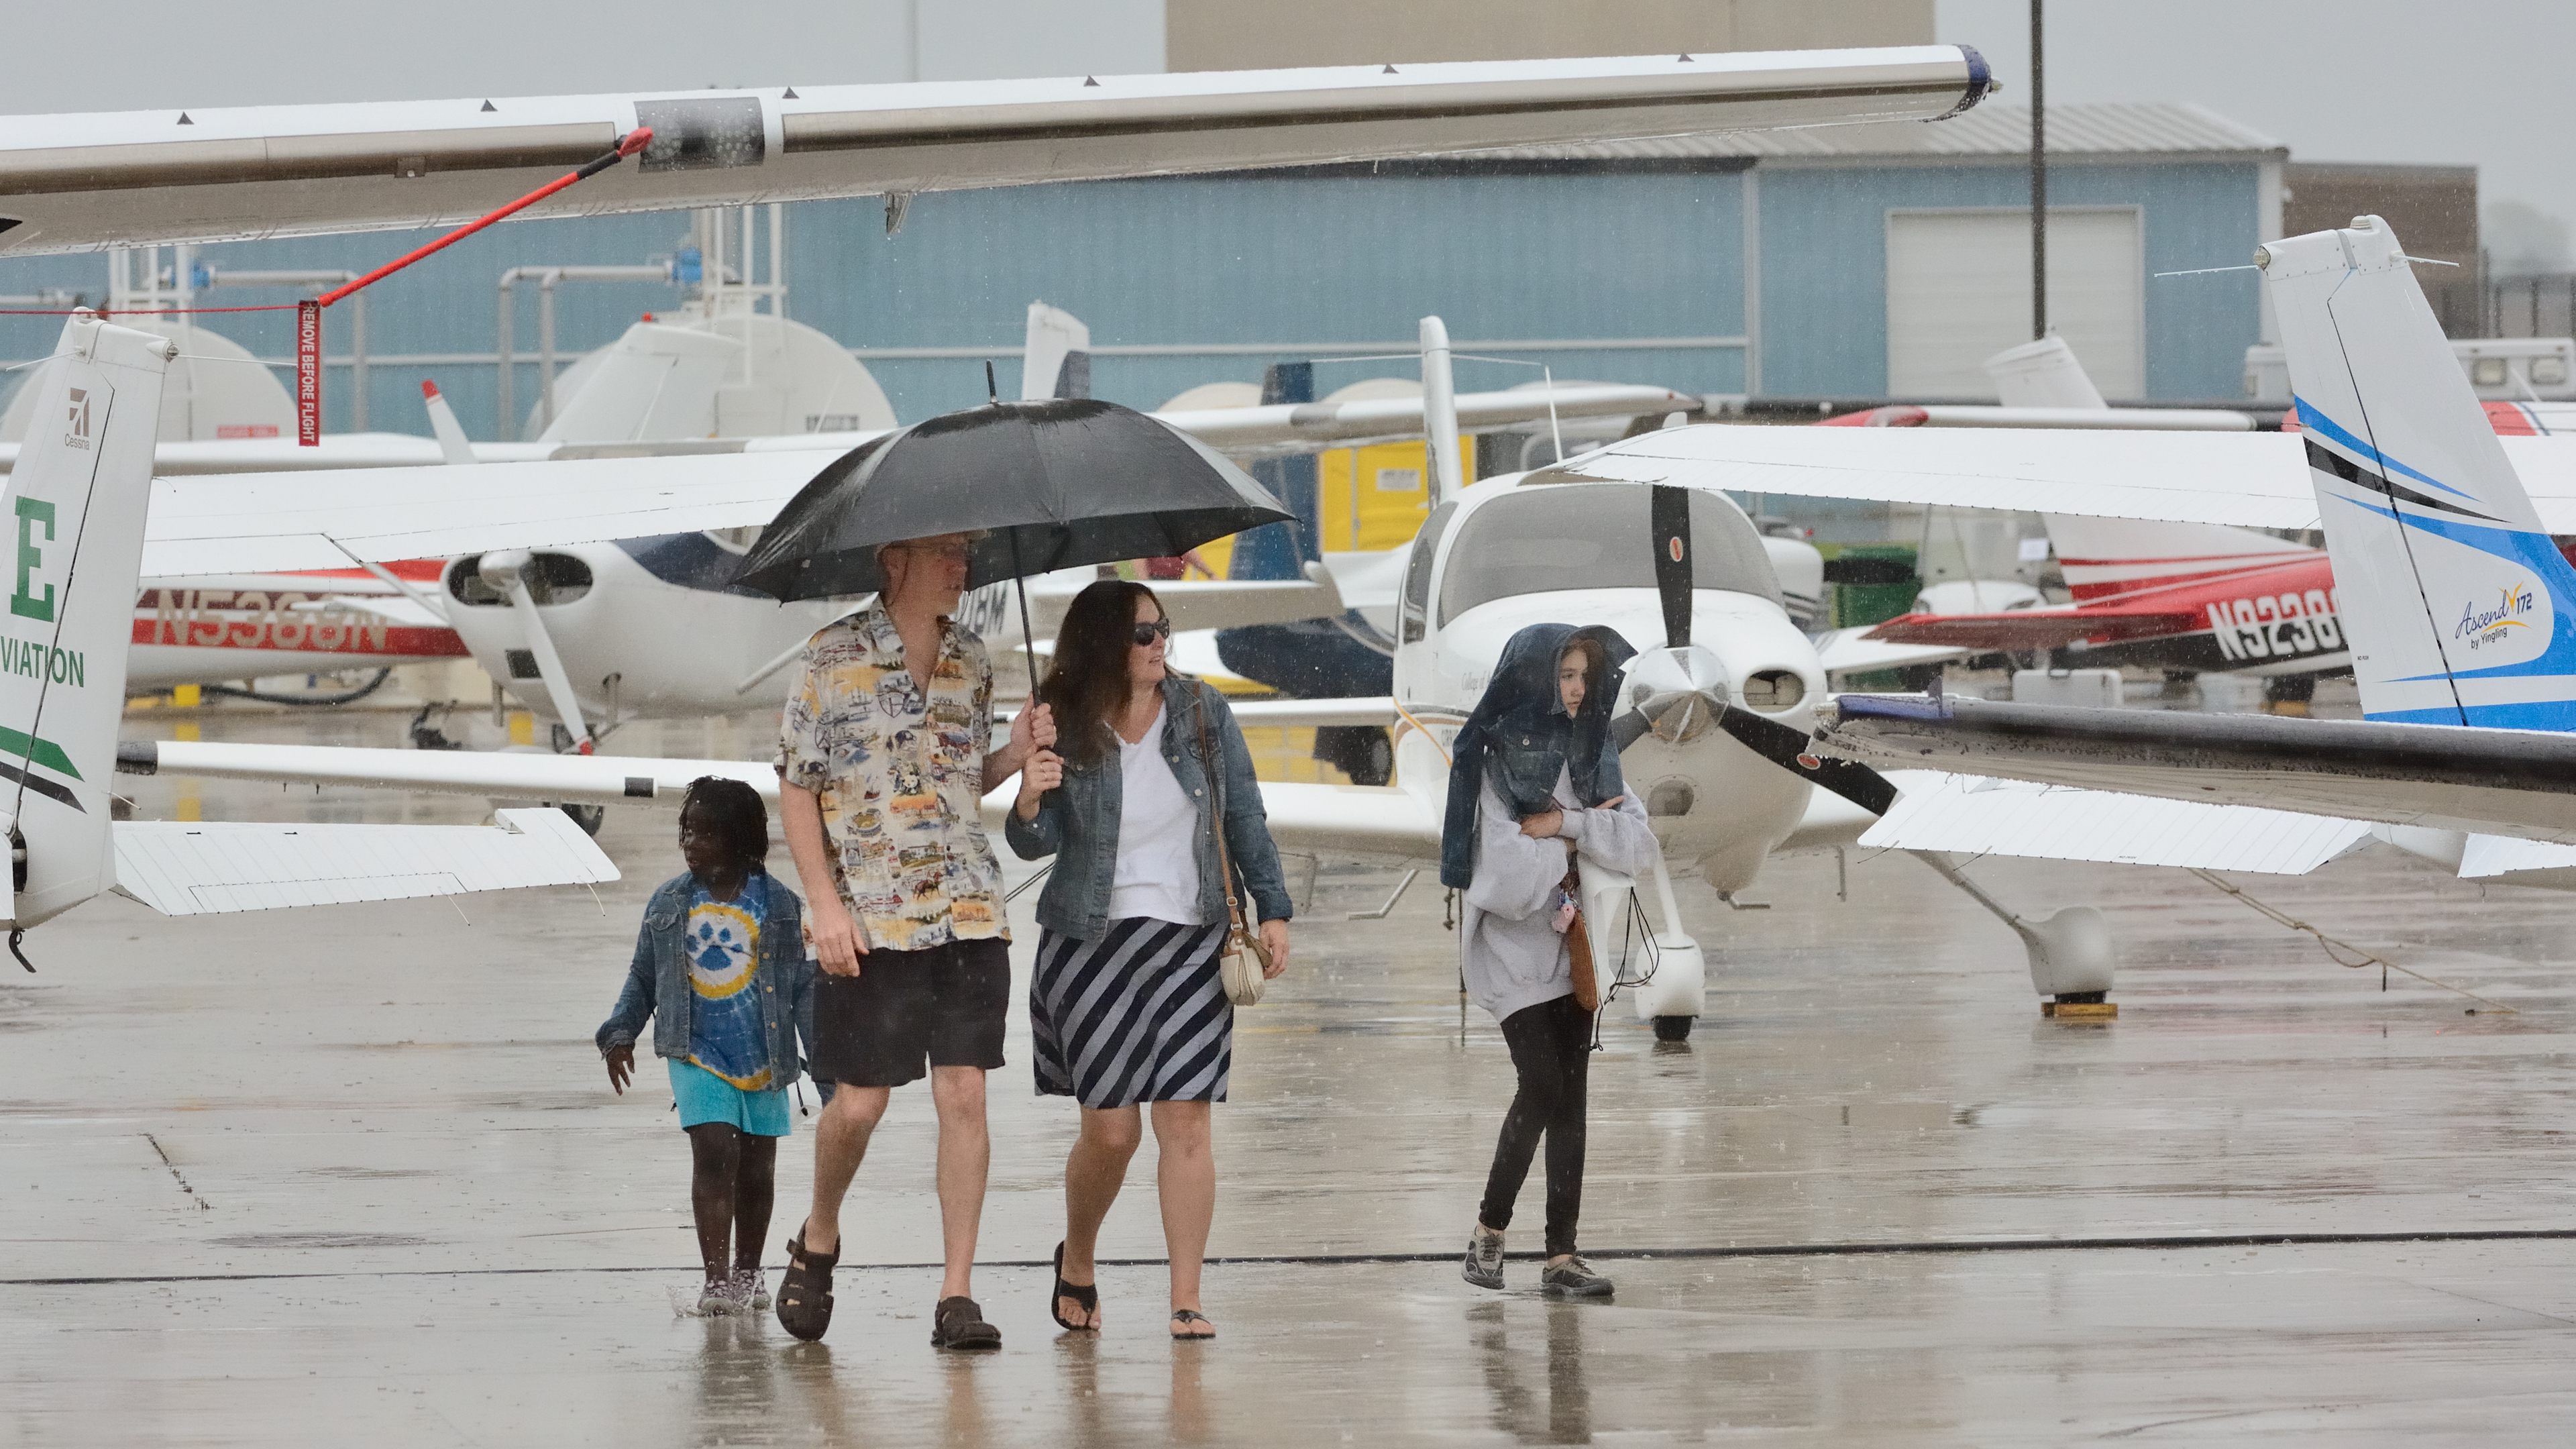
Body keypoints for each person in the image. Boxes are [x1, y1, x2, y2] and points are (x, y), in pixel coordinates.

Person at [771, 530, 1054, 1352]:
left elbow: (965, 776)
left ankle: (956, 1294)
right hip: (872, 918)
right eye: (948, 555)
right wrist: (824, 904)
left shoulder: (973, 656)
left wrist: (1019, 753)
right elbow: (796, 787)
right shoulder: (832, 657)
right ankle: (820, 1233)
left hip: (969, 912)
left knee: (963, 1095)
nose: (966, 568)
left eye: (968, 553)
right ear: (894, 560)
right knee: (858, 1103)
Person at [1005, 580, 1292, 1341]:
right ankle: (1081, 1259)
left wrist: (1276, 909)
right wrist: (1031, 794)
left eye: (1162, 628)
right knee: (1111, 1133)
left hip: (1193, 935)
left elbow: (1243, 813)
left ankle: (1187, 1297)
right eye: (1142, 633)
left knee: (1187, 1122)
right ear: (1105, 642)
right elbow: (1033, 844)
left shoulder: (1201, 710)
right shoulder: (1062, 719)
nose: (1158, 642)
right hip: (1089, 940)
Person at [1440, 623, 1657, 1300]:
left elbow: (1640, 846)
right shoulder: (1492, 759)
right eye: (1563, 675)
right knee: (1542, 1085)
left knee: (1573, 1103)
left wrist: (1565, 827)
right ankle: (1489, 1233)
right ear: (1535, 678)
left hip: (1574, 950)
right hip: (1510, 956)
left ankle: (1561, 1257)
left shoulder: (1593, 750)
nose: (1576, 690)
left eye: (1583, 676)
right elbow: (1502, 878)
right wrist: (1580, 846)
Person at [597, 776, 816, 1316]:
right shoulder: (670, 902)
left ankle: (748, 1271)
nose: (692, 843)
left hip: (763, 1056)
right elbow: (644, 977)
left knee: (758, 1171)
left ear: (742, 841)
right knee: (717, 1150)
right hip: (695, 1051)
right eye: (687, 831)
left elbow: (803, 991)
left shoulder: (782, 906)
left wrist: (830, 1065)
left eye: (706, 834)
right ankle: (717, 1279)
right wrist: (619, 1034)